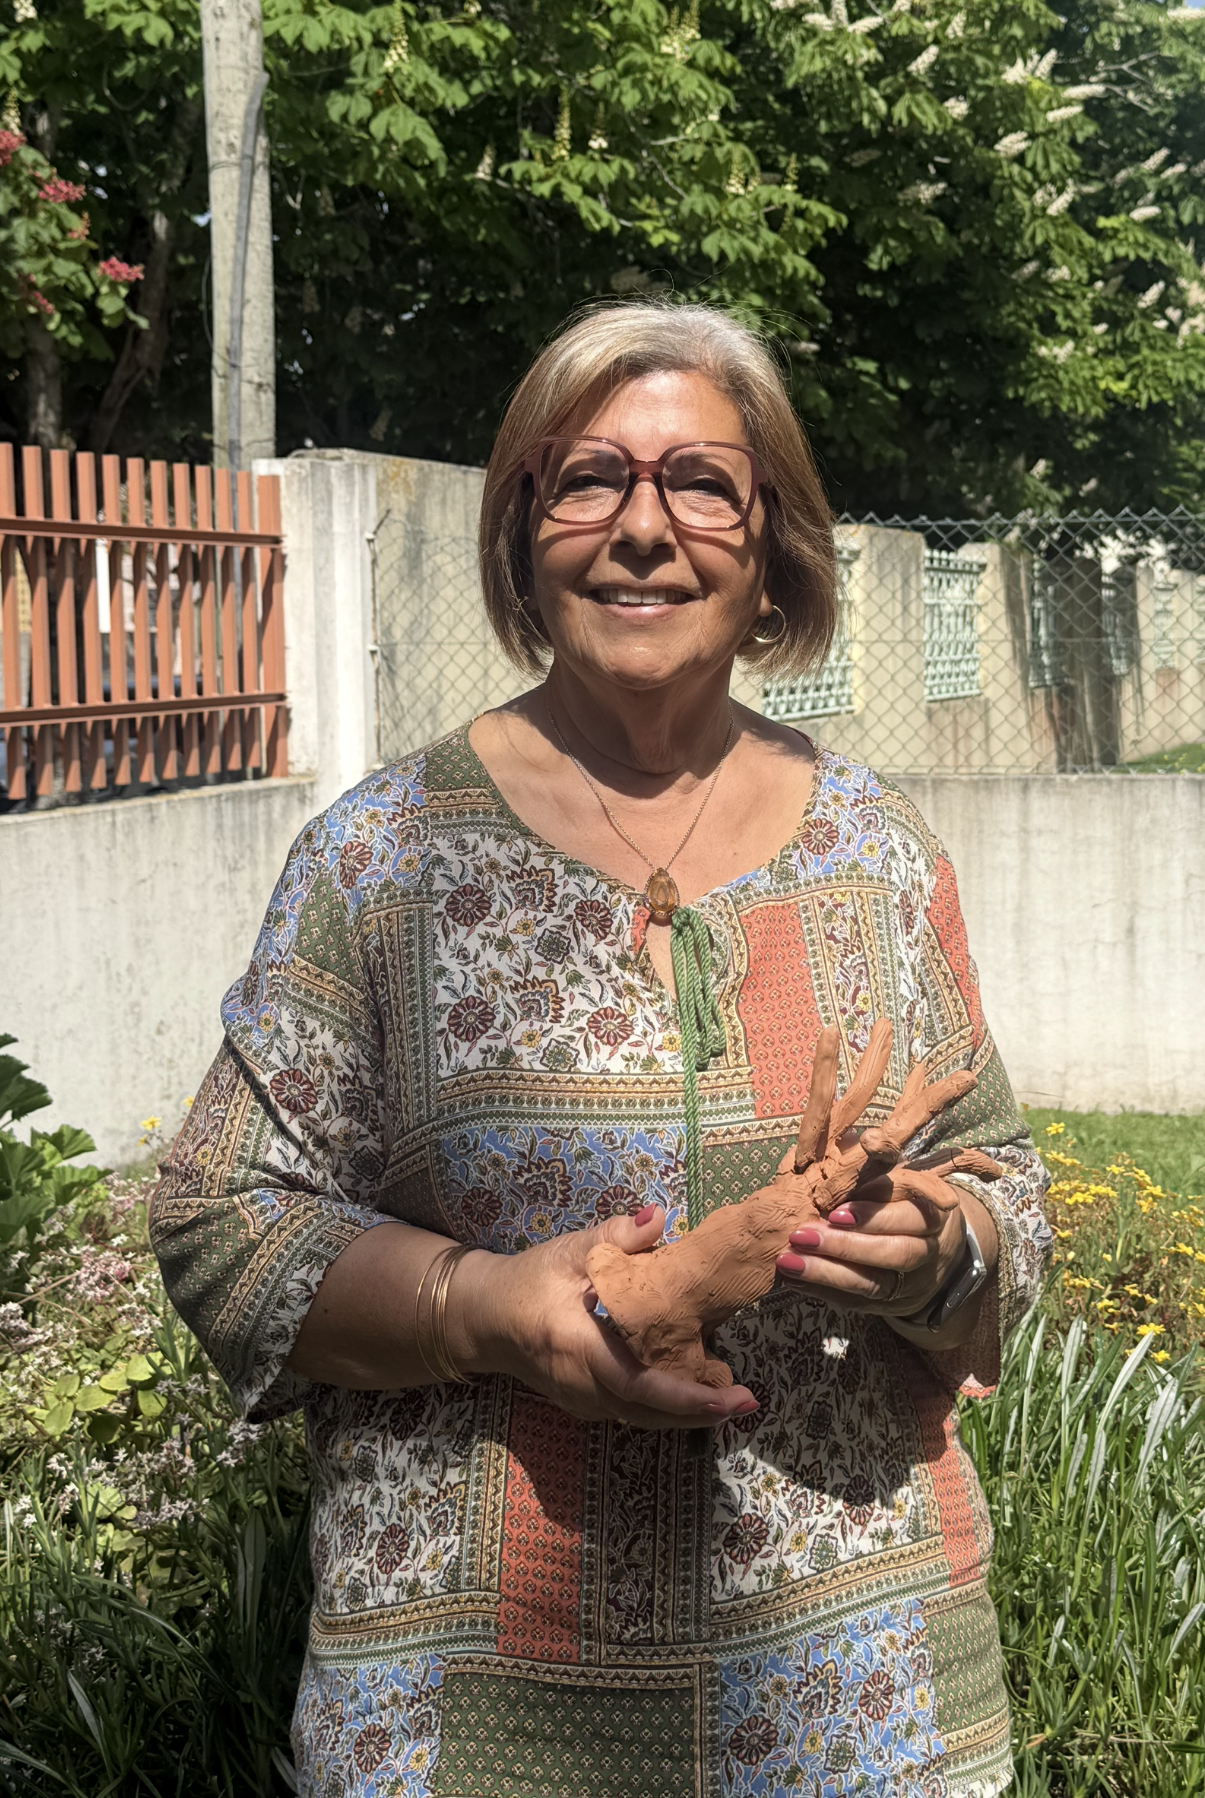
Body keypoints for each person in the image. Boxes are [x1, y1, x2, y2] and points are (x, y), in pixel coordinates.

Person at [150, 302, 1050, 1798]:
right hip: (476, 1716)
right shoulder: (387, 858)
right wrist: (484, 1306)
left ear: (773, 543)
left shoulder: (880, 851)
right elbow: (218, 1215)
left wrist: (940, 1250)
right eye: (587, 479)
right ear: (522, 534)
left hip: (857, 1705)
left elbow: (1001, 1182)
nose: (644, 527)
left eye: (701, 482)